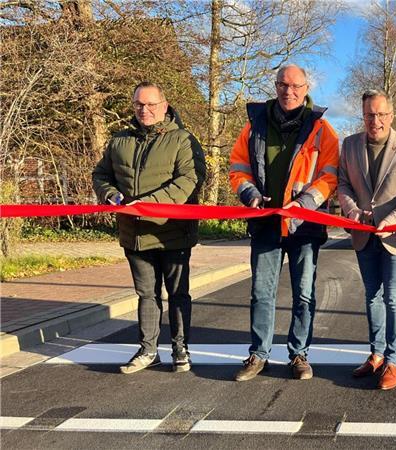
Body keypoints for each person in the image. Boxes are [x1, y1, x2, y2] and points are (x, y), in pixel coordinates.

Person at [229, 64, 339, 382]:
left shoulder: (322, 129)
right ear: (275, 86)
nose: (288, 91)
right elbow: (237, 166)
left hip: (304, 226)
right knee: (261, 293)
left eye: (295, 86)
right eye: (282, 85)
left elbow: (330, 175)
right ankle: (258, 354)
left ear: (306, 88)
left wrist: (303, 205)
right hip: (265, 224)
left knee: (304, 294)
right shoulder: (254, 125)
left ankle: (299, 354)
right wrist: (248, 193)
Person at [92, 81, 206, 374]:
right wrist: (110, 195)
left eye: (151, 104)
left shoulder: (182, 140)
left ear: (164, 106)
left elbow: (189, 180)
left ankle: (181, 350)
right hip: (134, 235)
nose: (145, 110)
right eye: (139, 105)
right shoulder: (119, 140)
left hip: (173, 232)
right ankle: (148, 350)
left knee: (178, 294)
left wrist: (148, 204)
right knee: (146, 295)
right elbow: (101, 174)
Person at [337, 90, 396, 390]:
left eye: (381, 114)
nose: (375, 120)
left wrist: (394, 219)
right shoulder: (349, 145)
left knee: (393, 297)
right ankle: (375, 353)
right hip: (363, 235)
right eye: (369, 115)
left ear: (391, 114)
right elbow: (344, 184)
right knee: (371, 296)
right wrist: (350, 209)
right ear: (362, 116)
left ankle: (393, 360)